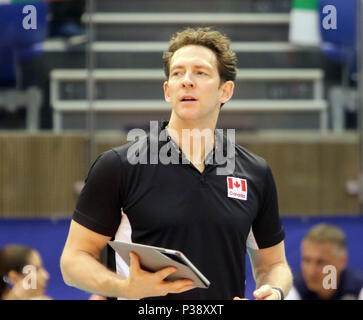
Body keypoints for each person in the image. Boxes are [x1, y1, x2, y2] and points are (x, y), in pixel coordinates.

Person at [60, 27, 292, 300]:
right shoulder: (119, 166)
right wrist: (125, 288)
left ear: (225, 91)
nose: (187, 81)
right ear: (167, 91)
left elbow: (274, 264)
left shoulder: (255, 172)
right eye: (178, 73)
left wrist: (274, 291)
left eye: (201, 72)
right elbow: (73, 262)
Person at [285, 223, 363, 300]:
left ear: (342, 261)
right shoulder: (291, 290)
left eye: (321, 262)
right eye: (307, 260)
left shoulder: (359, 289)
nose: (312, 271)